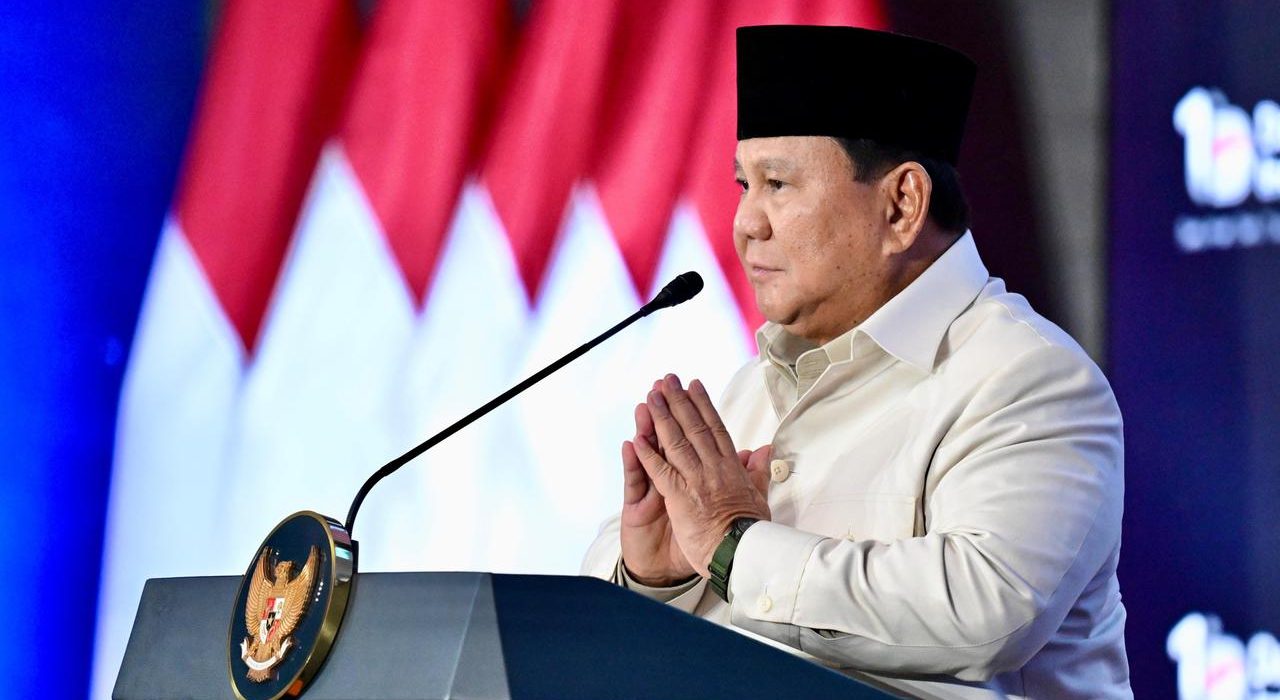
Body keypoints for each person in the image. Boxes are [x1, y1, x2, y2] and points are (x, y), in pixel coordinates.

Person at [581, 25, 1130, 699]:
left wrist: (733, 547)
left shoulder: (1031, 379)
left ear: (901, 205)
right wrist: (655, 579)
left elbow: (986, 613)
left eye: (777, 184)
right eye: (744, 184)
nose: (746, 223)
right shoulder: (749, 390)